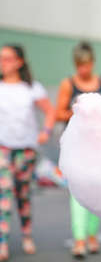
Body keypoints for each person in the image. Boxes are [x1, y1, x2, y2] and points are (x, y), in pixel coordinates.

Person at [55, 42, 101, 259]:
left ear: (92, 63)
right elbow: (59, 112)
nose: (83, 69)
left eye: (86, 65)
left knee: (97, 193)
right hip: (77, 147)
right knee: (77, 193)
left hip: (99, 146)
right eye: (79, 65)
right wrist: (78, 111)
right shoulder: (68, 84)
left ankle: (92, 235)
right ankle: (79, 240)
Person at [0, 44, 55, 261]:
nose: (4, 63)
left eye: (8, 59)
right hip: (3, 148)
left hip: (26, 149)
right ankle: (2, 242)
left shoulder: (32, 88)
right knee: (3, 194)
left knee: (22, 195)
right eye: (1, 59)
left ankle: (26, 235)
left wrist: (46, 131)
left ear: (19, 62)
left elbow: (49, 112)